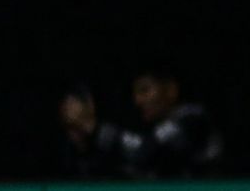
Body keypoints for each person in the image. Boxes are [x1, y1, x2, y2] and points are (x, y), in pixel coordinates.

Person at [60, 64, 226, 179]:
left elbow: (142, 152)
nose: (138, 100)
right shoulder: (150, 128)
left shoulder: (193, 120)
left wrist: (91, 127)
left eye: (145, 90)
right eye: (136, 93)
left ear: (170, 89)